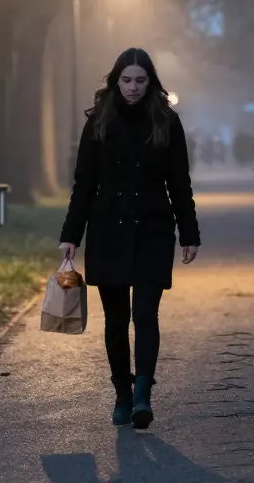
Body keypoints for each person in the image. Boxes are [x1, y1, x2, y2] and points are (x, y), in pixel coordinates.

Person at [58, 47, 201, 430]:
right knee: (117, 318)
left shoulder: (166, 122)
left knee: (146, 314)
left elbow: (179, 182)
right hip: (108, 229)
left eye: (140, 80)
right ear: (115, 80)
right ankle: (122, 392)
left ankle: (143, 393)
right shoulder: (99, 122)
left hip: (153, 227)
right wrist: (71, 234)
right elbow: (84, 183)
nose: (133, 88)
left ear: (150, 82)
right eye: (126, 80)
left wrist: (189, 233)